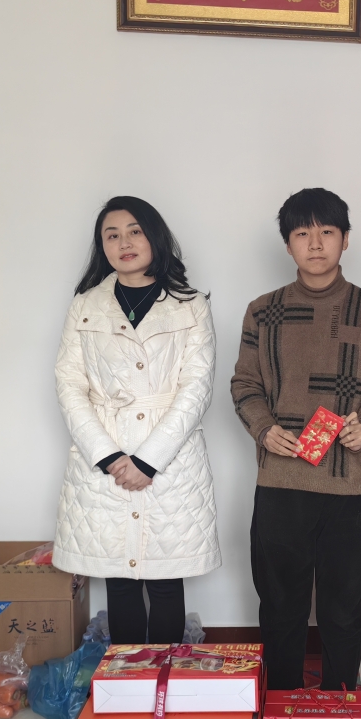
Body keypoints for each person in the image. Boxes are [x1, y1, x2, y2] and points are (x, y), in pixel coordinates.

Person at [231, 188, 361, 691]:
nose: (316, 243)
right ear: (288, 245)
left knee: (345, 608)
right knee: (280, 605)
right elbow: (244, 385)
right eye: (302, 233)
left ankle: (340, 707)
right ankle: (282, 709)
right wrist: (265, 429)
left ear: (346, 239)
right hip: (281, 482)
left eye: (327, 231)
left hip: (350, 485)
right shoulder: (263, 311)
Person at [53, 196, 219, 645]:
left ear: (154, 237)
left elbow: (197, 388)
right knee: (119, 581)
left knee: (166, 579)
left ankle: (163, 679)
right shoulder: (85, 305)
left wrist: (148, 460)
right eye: (112, 235)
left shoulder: (191, 305)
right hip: (104, 455)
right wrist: (107, 455)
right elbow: (69, 384)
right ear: (102, 246)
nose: (124, 242)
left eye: (134, 231)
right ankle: (126, 679)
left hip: (171, 459)